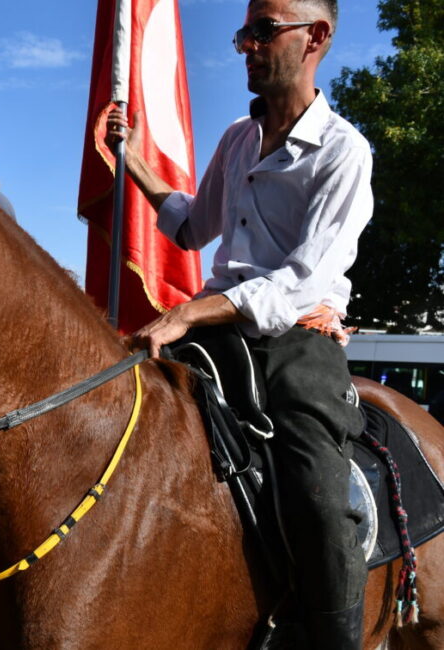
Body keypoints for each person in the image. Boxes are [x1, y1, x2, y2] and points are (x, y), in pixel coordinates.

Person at [106, 0, 370, 646]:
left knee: (317, 494)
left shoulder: (345, 153)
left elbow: (299, 284)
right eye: (244, 31)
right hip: (217, 331)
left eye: (263, 31)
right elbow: (195, 226)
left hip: (298, 344)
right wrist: (131, 159)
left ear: (317, 37)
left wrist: (188, 311)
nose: (246, 45)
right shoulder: (235, 139)